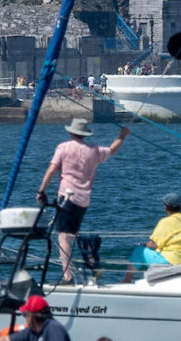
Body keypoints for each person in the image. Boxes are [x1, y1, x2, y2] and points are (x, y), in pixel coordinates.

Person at [36, 116, 129, 282]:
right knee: (73, 233)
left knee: (63, 236)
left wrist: (41, 191)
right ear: (85, 134)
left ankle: (67, 277)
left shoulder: (63, 147)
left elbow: (51, 170)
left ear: (71, 132)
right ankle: (93, 263)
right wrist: (122, 136)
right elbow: (112, 150)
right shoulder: (94, 150)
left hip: (67, 196)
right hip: (84, 199)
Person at [144, 193, 181, 267]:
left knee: (139, 252)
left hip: (173, 259)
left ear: (166, 207)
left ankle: (129, 275)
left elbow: (154, 245)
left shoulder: (165, 222)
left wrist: (145, 245)